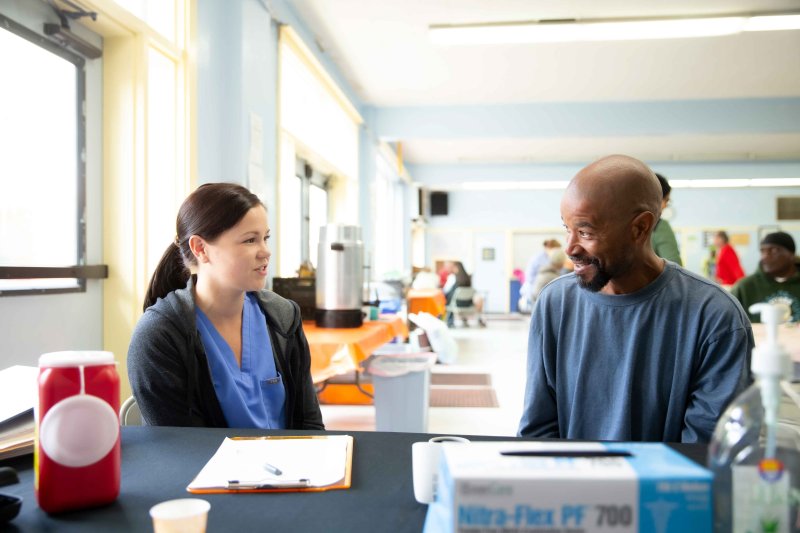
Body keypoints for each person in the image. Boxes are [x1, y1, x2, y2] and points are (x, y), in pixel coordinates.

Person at [518, 155, 753, 443]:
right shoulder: (555, 303)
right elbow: (537, 431)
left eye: (585, 232)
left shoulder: (715, 316)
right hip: (571, 485)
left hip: (668, 487)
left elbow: (707, 452)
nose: (570, 247)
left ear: (640, 228)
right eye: (568, 229)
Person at [127, 183, 324, 429]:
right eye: (250, 240)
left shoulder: (283, 316)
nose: (265, 252)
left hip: (291, 466)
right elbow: (181, 450)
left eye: (265, 238)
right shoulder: (160, 335)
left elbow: (310, 423)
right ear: (200, 249)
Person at [731, 231, 800, 323]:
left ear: (791, 255)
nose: (766, 255)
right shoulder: (744, 287)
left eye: (774, 250)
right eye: (763, 251)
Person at [650, 173, 682, 265]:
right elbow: (674, 268)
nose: (664, 206)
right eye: (666, 200)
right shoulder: (660, 226)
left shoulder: (621, 225)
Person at [443, 261, 485, 327]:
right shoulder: (468, 278)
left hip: (456, 304)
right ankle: (466, 319)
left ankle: (449, 320)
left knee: (447, 299)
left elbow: (446, 291)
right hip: (468, 304)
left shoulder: (452, 277)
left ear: (456, 268)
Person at [520, 240, 561, 306]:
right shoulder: (537, 258)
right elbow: (529, 276)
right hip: (535, 288)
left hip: (545, 289)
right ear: (549, 248)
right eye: (555, 250)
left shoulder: (551, 258)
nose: (557, 253)